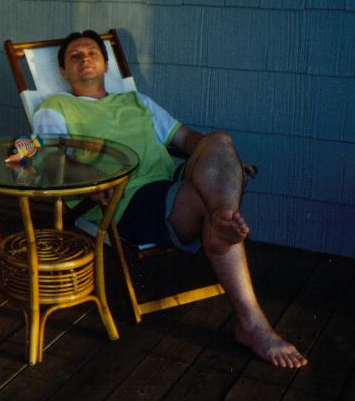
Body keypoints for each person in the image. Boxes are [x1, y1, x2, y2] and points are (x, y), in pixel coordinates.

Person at [32, 30, 308, 368]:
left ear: (106, 64)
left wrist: (227, 162)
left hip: (168, 181)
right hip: (125, 196)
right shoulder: (56, 107)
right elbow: (51, 159)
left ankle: (221, 218)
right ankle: (252, 321)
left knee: (220, 141)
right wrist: (88, 181)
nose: (85, 58)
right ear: (63, 72)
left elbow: (188, 139)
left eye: (92, 52)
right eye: (75, 56)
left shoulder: (136, 101)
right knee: (210, 204)